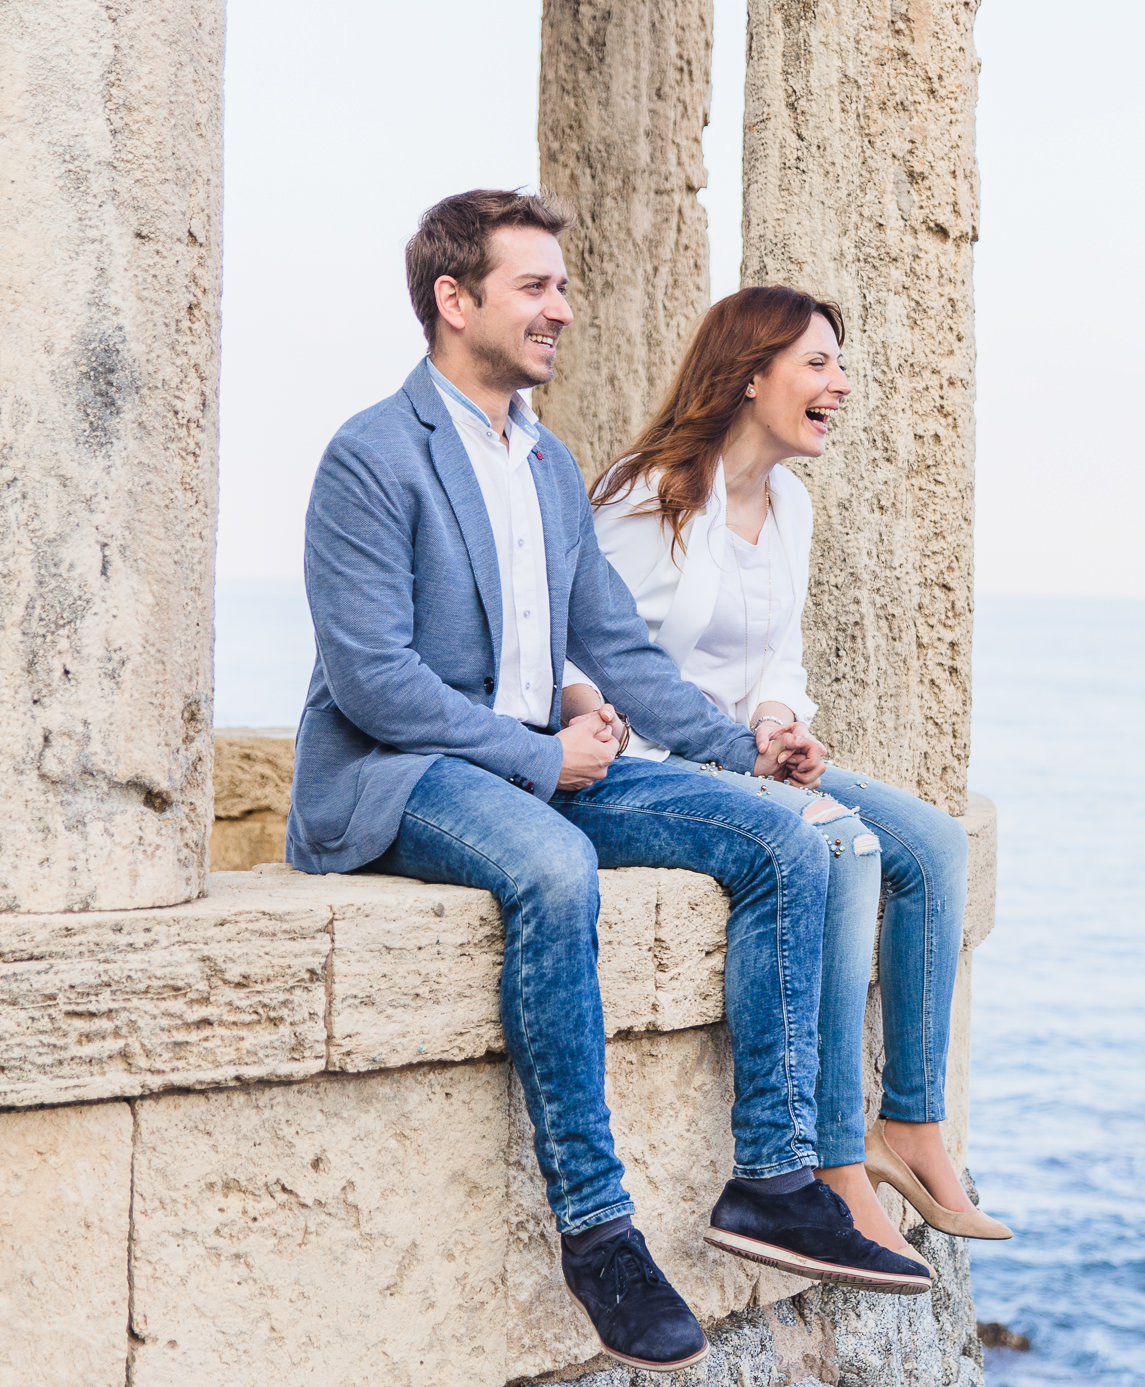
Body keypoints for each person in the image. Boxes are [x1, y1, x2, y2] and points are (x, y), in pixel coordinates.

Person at [288, 194, 933, 1371]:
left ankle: (775, 1178)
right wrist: (540, 753)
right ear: (454, 299)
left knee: (783, 840)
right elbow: (372, 679)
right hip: (404, 774)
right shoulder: (373, 455)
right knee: (554, 864)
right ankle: (598, 1231)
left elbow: (619, 651)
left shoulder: (545, 458)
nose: (562, 310)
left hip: (546, 757)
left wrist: (746, 749)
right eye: (536, 287)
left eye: (562, 286)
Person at [565, 285, 1014, 1266]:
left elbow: (779, 657)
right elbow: (577, 656)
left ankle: (912, 1125)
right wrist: (727, 752)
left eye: (837, 365)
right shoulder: (647, 497)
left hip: (751, 757)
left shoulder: (792, 507)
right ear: (751, 373)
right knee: (844, 842)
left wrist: (779, 722)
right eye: (818, 363)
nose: (839, 384)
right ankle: (833, 1162)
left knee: (931, 843)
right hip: (647, 769)